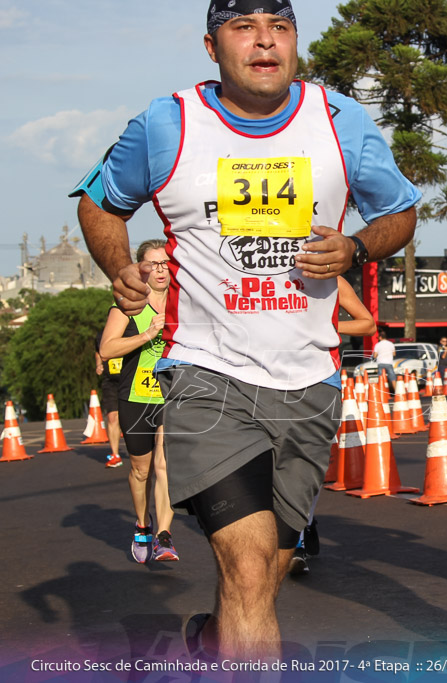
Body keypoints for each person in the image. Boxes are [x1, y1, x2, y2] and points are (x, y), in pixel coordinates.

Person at [74, 0, 418, 661]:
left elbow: (399, 208)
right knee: (250, 565)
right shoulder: (168, 124)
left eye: (279, 27)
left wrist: (356, 247)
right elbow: (99, 202)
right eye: (244, 28)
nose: (264, 43)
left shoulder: (339, 120)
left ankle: (210, 639)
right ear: (212, 47)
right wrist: (119, 264)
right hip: (207, 378)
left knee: (266, 574)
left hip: (310, 384)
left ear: (295, 41)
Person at [289, 275, 376, 576]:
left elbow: (367, 324)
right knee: (280, 460)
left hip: (321, 379)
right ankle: (297, 533)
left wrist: (324, 329)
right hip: (273, 380)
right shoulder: (264, 279)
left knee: (310, 463)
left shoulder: (334, 282)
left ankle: (301, 529)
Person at [99, 240, 177, 563]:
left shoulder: (182, 302)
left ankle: (164, 536)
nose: (160, 270)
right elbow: (106, 349)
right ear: (140, 268)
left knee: (164, 465)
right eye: (153, 264)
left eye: (165, 263)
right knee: (141, 470)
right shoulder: (127, 306)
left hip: (171, 393)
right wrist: (147, 335)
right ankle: (143, 524)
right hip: (136, 395)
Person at [94, 331, 124, 468]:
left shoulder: (130, 330)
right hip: (110, 382)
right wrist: (99, 364)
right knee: (112, 417)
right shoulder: (102, 335)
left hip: (129, 379)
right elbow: (98, 351)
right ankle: (115, 455)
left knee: (131, 418)